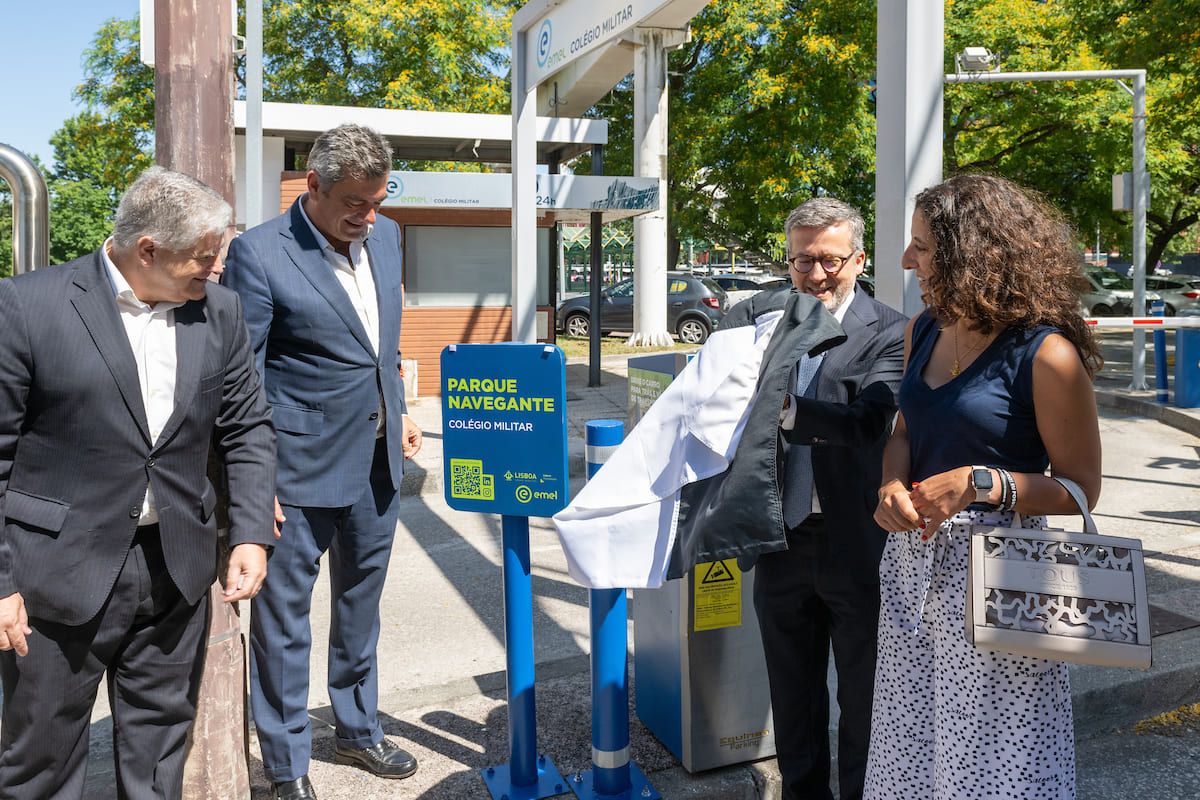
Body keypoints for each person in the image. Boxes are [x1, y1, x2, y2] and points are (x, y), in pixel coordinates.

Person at [0, 166, 276, 799]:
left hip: (174, 568)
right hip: (52, 577)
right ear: (147, 250)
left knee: (157, 760)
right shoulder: (26, 305)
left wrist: (251, 533)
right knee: (40, 762)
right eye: (204, 258)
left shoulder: (220, 312)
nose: (214, 271)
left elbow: (247, 429)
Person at [866, 173, 1103, 800]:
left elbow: (1081, 490)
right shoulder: (923, 330)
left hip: (1005, 576)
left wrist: (981, 483)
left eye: (921, 245)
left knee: (996, 754)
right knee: (909, 739)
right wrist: (891, 480)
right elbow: (904, 431)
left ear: (972, 251)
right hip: (914, 567)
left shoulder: (1045, 353)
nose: (906, 259)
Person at [223, 123, 423, 800]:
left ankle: (358, 730)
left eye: (378, 199)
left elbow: (377, 342)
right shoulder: (259, 254)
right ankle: (285, 767)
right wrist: (252, 484)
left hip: (377, 463)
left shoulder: (389, 237)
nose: (368, 216)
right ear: (312, 185)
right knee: (284, 625)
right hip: (296, 472)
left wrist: (398, 409)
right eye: (354, 203)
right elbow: (242, 376)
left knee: (360, 608)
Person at [741, 198, 907, 800]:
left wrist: (783, 412)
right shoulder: (767, 321)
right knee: (793, 697)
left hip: (856, 543)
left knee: (864, 699)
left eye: (829, 260)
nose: (814, 274)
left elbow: (868, 422)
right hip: (780, 540)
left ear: (859, 259)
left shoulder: (891, 330)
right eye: (800, 260)